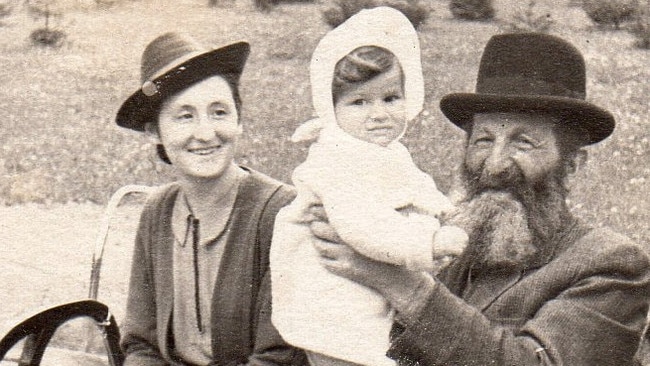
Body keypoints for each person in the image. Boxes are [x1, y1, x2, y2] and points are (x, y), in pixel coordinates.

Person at [308, 33, 650, 365]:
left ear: (573, 165)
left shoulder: (611, 265)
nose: (495, 165)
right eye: (483, 140)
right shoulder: (438, 239)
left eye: (523, 143)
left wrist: (402, 285)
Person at [270, 7, 467, 366]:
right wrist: (428, 243)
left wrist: (443, 208)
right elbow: (361, 224)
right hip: (331, 303)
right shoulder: (335, 159)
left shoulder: (385, 151)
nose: (378, 114)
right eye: (359, 102)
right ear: (332, 110)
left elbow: (414, 184)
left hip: (365, 289)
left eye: (390, 98)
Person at [115, 32, 306, 366]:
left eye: (219, 112)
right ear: (154, 132)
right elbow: (140, 344)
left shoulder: (280, 212)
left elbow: (280, 356)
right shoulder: (157, 211)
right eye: (185, 116)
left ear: (239, 120)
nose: (205, 133)